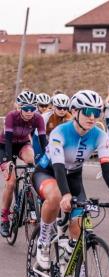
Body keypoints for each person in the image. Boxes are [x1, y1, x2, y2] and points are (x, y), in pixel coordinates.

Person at [33, 90, 109, 277]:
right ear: (75, 111)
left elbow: (106, 166)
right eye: (87, 111)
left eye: (97, 112)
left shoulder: (99, 134)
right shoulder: (60, 131)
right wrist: (66, 195)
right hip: (48, 172)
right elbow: (58, 166)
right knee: (57, 195)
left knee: (79, 231)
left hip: (74, 178)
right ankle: (44, 241)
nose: (92, 116)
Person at [0, 91, 47, 237]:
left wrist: (48, 160)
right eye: (26, 108)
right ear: (19, 107)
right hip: (4, 146)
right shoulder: (11, 116)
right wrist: (8, 161)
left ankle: (30, 196)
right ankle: (4, 218)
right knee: (11, 183)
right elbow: (7, 140)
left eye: (32, 108)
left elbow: (43, 141)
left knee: (32, 161)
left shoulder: (38, 118)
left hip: (22, 144)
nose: (29, 112)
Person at [32, 93, 51, 161]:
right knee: (37, 158)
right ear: (37, 105)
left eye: (46, 106)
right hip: (35, 137)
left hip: (46, 137)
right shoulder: (32, 113)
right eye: (41, 105)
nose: (44, 108)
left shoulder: (50, 113)